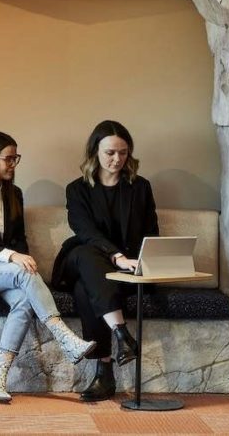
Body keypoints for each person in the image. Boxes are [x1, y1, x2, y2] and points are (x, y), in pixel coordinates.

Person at [0, 130, 95, 403]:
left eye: (16, 158)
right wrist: (15, 258)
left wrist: (23, 258)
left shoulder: (14, 193)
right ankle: (64, 337)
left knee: (25, 301)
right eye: (8, 158)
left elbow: (19, 240)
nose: (13, 164)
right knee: (21, 271)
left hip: (4, 272)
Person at [51, 120, 160, 402]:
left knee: (86, 290)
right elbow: (85, 232)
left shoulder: (140, 188)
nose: (117, 159)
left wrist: (140, 261)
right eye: (110, 152)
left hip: (120, 273)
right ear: (94, 153)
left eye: (123, 152)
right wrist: (118, 257)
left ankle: (105, 372)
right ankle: (122, 334)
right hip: (83, 259)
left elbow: (151, 232)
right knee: (88, 254)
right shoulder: (77, 190)